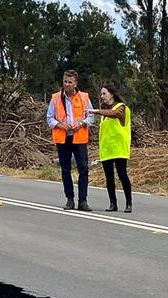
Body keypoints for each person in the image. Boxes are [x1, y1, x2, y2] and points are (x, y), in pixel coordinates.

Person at [46, 70, 95, 211]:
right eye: (65, 81)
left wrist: (81, 123)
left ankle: (83, 201)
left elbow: (91, 116)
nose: (67, 84)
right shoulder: (55, 98)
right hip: (63, 138)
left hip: (79, 138)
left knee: (83, 169)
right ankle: (70, 199)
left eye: (69, 82)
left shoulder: (84, 97)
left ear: (75, 83)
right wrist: (60, 125)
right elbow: (49, 118)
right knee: (65, 169)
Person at [88, 83, 132, 213]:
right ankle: (113, 203)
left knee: (122, 175)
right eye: (101, 94)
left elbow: (114, 114)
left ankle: (129, 203)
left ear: (111, 94)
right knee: (109, 178)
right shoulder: (104, 114)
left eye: (104, 93)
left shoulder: (121, 108)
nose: (102, 96)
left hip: (119, 149)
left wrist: (96, 111)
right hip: (106, 150)